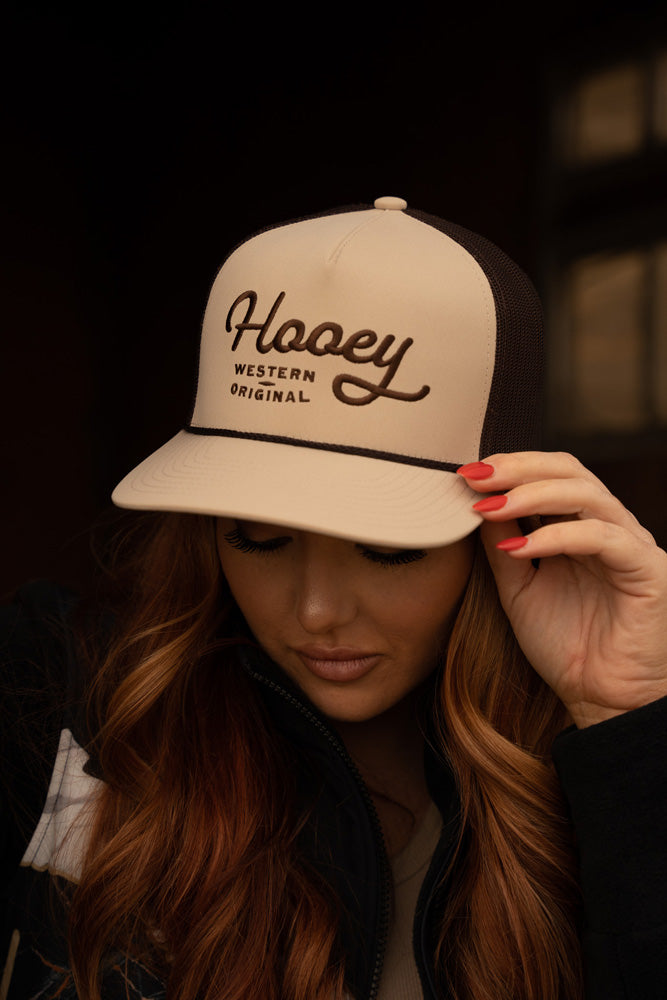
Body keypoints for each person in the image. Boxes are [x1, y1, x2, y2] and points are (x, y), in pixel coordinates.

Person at [2, 195, 667, 1000]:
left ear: (501, 528)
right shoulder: (64, 700)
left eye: (389, 548)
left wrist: (628, 727)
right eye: (258, 537)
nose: (316, 610)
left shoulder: (599, 772)